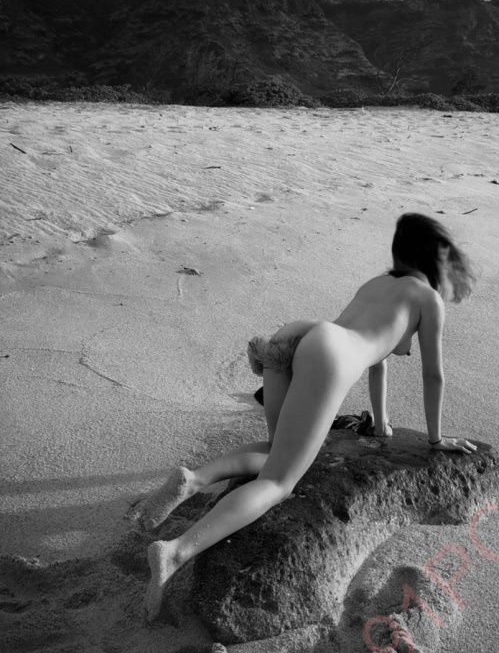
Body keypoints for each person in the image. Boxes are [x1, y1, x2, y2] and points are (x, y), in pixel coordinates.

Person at [135, 213, 477, 621]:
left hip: (297, 334)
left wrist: (381, 424)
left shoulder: (376, 284)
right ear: (433, 257)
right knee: (279, 482)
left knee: (278, 448)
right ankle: (175, 553)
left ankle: (194, 479)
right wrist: (436, 439)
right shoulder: (428, 299)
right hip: (329, 352)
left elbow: (378, 362)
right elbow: (433, 375)